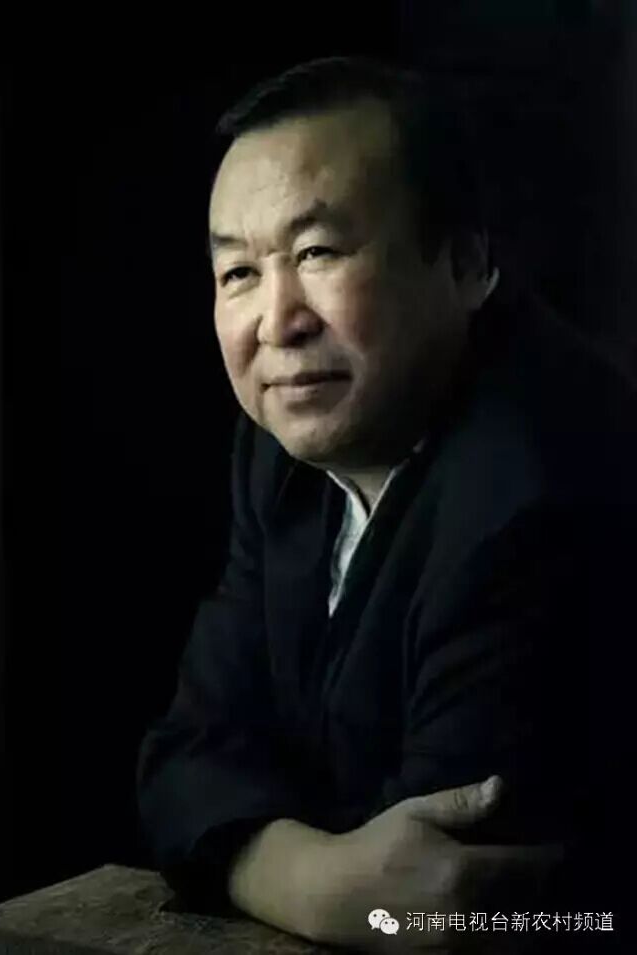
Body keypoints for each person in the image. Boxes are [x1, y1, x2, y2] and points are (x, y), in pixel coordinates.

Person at [137, 57, 635, 952]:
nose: (277, 322)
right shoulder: (284, 441)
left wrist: (277, 856)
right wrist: (315, 883)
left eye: (318, 254)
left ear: (467, 262)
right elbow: (183, 760)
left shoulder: (538, 481)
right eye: (239, 271)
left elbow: (436, 888)